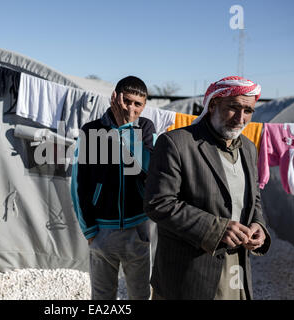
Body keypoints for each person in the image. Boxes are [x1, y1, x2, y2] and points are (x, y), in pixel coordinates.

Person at [144, 76, 271, 300]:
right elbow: (158, 203)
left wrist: (258, 225)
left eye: (248, 111)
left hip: (236, 270)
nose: (241, 119)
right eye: (233, 107)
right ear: (212, 104)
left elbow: (254, 197)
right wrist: (216, 229)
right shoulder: (176, 143)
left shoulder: (249, 149)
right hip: (188, 274)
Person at [71, 76, 156, 300]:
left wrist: (128, 129)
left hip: (138, 227)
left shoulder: (146, 128)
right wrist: (89, 230)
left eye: (138, 104)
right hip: (102, 230)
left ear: (144, 106)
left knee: (140, 294)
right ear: (114, 99)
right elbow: (79, 183)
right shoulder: (91, 131)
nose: (131, 108)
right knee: (102, 296)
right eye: (127, 101)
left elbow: (146, 169)